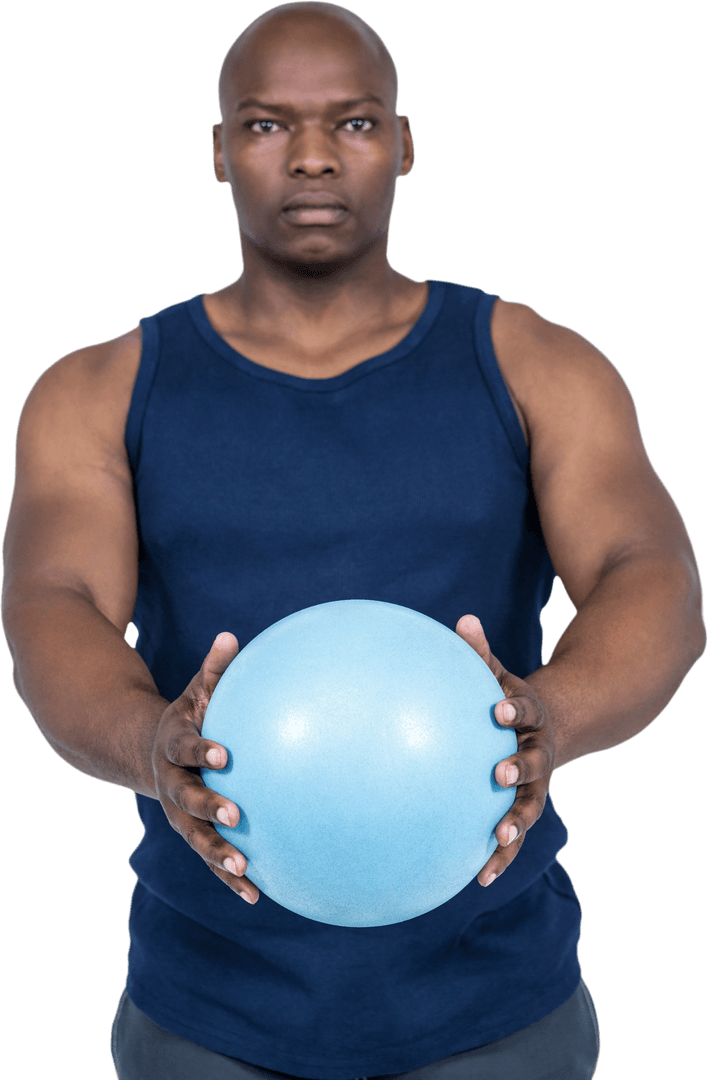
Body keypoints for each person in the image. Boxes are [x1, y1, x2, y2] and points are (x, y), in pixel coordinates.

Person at [1, 2, 704, 1078]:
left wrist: (551, 716)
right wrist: (152, 744)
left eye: (356, 122)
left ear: (405, 144)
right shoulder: (98, 390)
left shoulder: (537, 364)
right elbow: (53, 604)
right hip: (209, 1010)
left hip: (494, 1001)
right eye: (268, 124)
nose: (314, 156)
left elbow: (651, 576)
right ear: (219, 151)